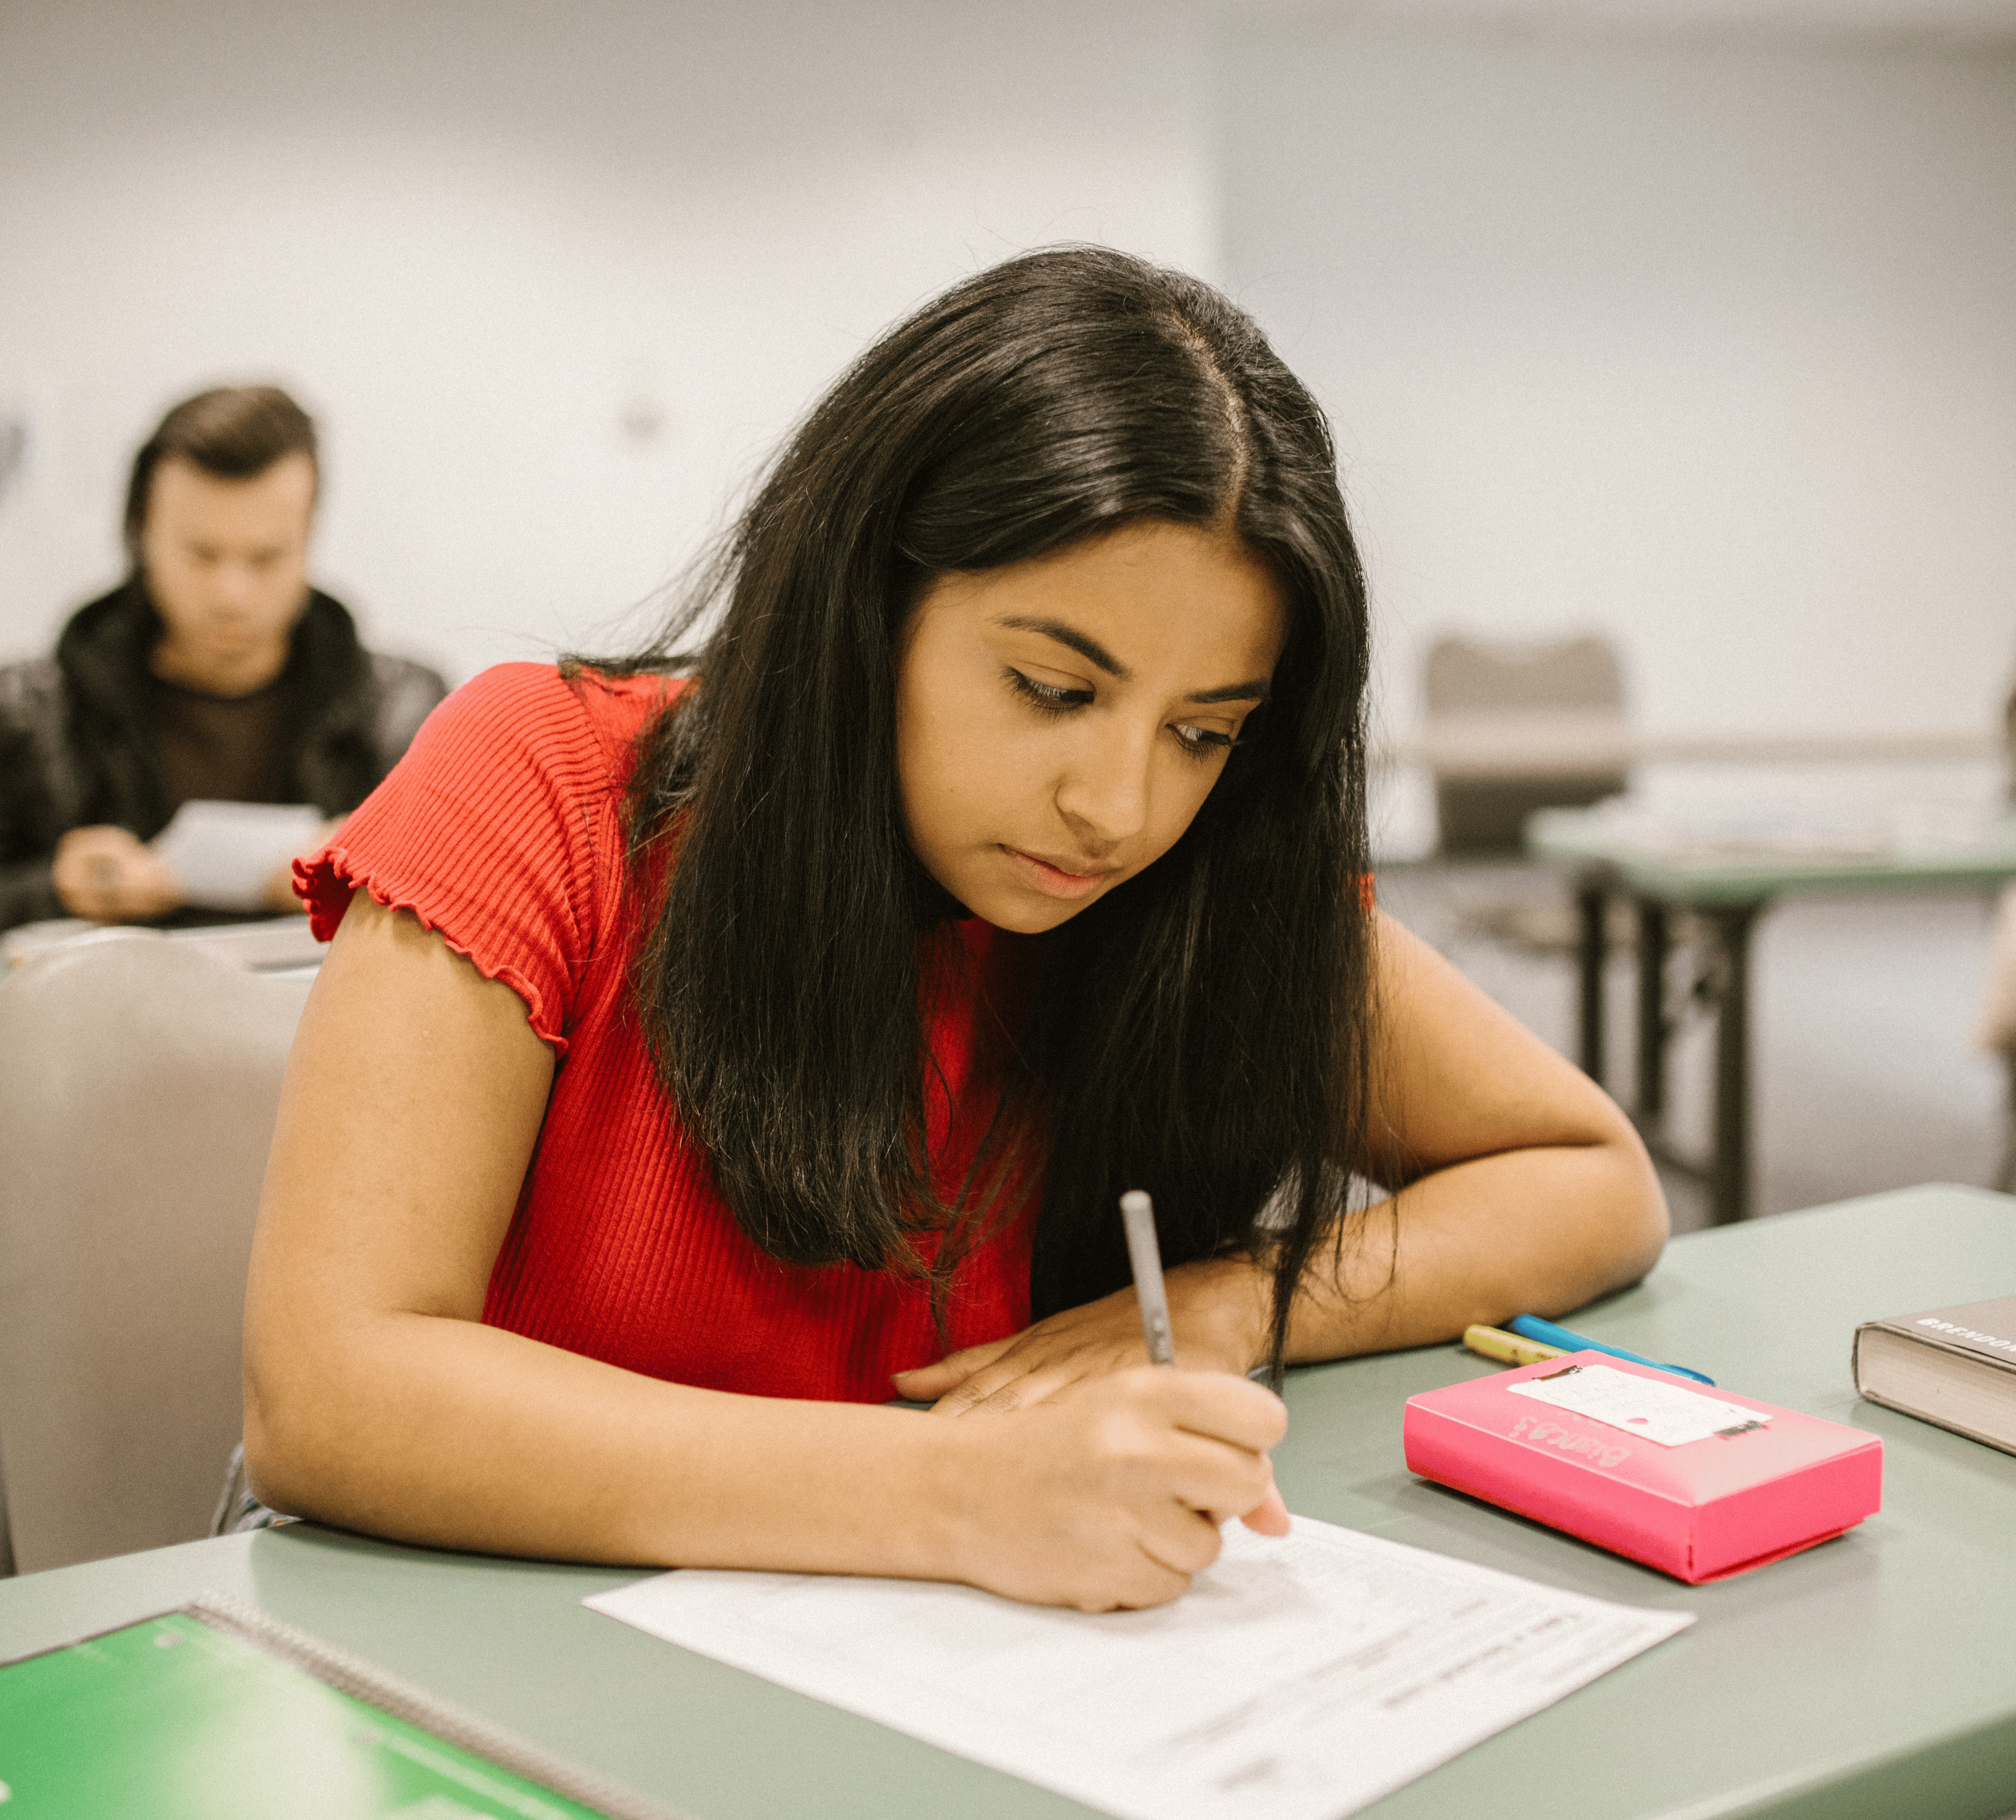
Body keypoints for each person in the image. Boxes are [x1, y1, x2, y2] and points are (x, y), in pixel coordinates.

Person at [244, 249, 1668, 1612]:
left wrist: (1226, 1306)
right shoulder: (542, 778)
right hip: (507, 1659)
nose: (1116, 808)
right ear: (866, 599)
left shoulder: (1203, 880)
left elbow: (1586, 1177)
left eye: (1201, 729)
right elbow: (330, 1392)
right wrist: (950, 1489)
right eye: (1053, 689)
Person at [0, 386, 445, 930]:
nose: (232, 594)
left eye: (267, 557)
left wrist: (378, 870)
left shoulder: (404, 712)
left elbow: (488, 912)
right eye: (201, 554)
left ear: (308, 538)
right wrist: (55, 889)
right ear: (143, 535)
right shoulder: (27, 712)